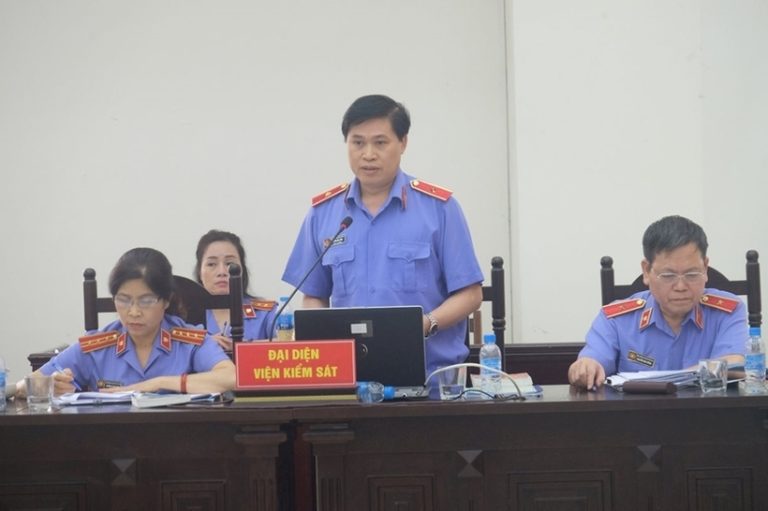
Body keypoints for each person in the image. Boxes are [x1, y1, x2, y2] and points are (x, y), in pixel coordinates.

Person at [282, 94, 484, 374]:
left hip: (430, 375)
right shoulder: (323, 213)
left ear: (403, 143)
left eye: (380, 142)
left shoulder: (440, 209)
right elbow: (313, 295)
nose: (368, 154)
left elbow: (471, 294)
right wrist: (324, 338)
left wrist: (425, 324)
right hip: (349, 376)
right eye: (358, 143)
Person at [16, 247, 236, 396]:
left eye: (146, 301)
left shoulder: (189, 341)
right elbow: (23, 386)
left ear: (166, 300)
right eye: (123, 300)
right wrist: (50, 385)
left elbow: (231, 377)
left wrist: (157, 383)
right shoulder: (97, 346)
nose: (134, 312)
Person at [568, 215, 747, 389]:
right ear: (647, 271)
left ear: (705, 268)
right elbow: (592, 360)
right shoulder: (616, 319)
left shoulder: (728, 311)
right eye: (668, 276)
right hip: (637, 409)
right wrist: (585, 367)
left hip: (708, 409)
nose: (680, 286)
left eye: (692, 274)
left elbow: (733, 366)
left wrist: (671, 380)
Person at [194, 230, 278, 349]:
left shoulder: (266, 313)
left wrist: (243, 347)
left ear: (242, 270)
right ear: (200, 272)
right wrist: (203, 344)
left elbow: (290, 343)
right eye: (211, 264)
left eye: (230, 263)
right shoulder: (184, 315)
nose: (222, 272)